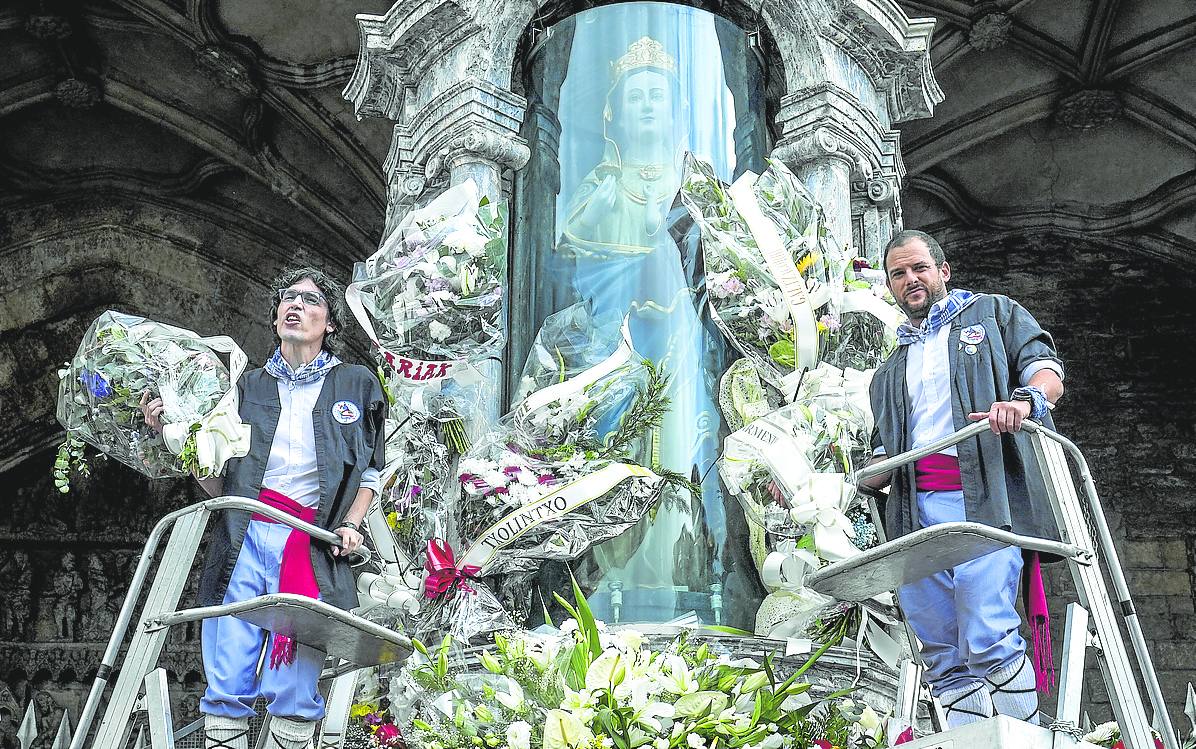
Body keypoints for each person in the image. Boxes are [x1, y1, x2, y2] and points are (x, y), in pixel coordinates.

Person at [142, 268, 386, 749]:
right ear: (275, 317)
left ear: (330, 323)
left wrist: (353, 524)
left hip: (312, 542)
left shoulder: (354, 383)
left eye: (311, 300)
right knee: (228, 663)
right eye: (287, 298)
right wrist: (176, 440)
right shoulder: (243, 387)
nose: (296, 306)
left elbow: (372, 471)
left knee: (296, 678)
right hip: (245, 533)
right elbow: (218, 481)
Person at [862, 230, 1064, 728]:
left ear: (943, 271)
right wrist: (869, 473)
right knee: (940, 649)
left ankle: (1025, 738)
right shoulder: (887, 371)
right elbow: (883, 446)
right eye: (899, 273)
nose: (911, 280)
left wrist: (1024, 403)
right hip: (915, 512)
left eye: (919, 268)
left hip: (984, 500)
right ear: (889, 285)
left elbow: (1047, 372)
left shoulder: (993, 315)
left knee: (986, 628)